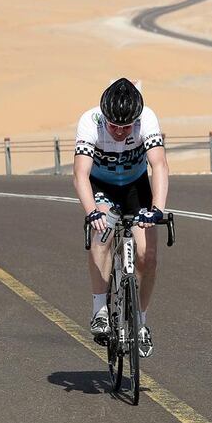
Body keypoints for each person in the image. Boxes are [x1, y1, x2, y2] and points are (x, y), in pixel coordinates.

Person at [73, 77, 169, 358]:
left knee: (147, 255)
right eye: (113, 125)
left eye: (126, 127)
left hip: (135, 187)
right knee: (102, 230)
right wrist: (91, 212)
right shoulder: (90, 121)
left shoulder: (147, 118)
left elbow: (160, 165)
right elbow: (80, 175)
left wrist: (157, 209)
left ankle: (140, 323)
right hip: (101, 186)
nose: (118, 131)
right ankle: (100, 308)